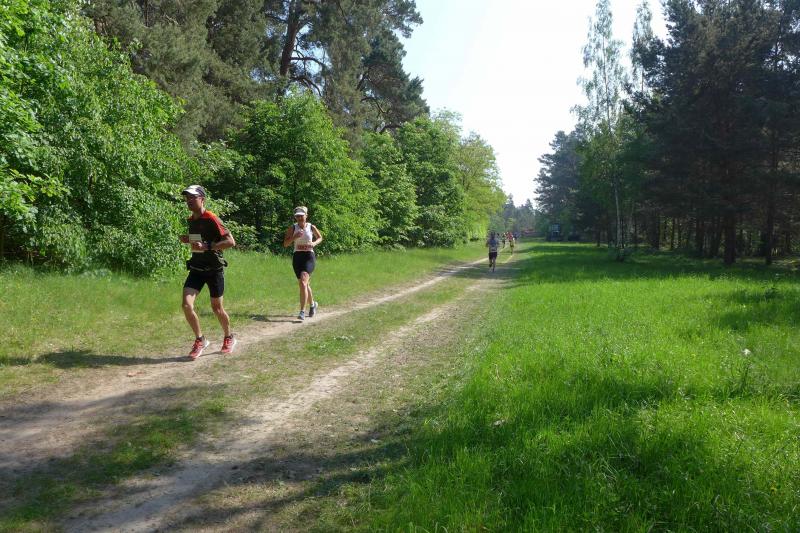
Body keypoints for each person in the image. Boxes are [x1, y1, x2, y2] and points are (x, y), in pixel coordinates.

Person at [179, 185, 237, 360]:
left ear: (202, 199)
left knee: (217, 308)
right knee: (186, 305)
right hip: (196, 268)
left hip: (214, 270)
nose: (189, 200)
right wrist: (188, 239)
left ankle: (229, 337)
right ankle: (200, 340)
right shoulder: (191, 220)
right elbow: (199, 241)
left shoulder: (211, 218)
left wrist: (208, 246)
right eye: (187, 198)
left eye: (193, 197)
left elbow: (230, 242)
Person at [283, 206, 323, 321]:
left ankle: (302, 311)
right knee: (303, 284)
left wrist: (314, 244)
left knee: (303, 281)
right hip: (297, 257)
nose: (300, 218)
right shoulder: (292, 228)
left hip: (309, 256)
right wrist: (294, 237)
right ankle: (312, 305)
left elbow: (320, 238)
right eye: (297, 216)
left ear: (306, 216)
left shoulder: (311, 227)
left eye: (302, 216)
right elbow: (285, 244)